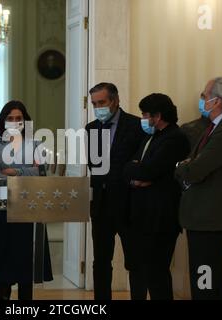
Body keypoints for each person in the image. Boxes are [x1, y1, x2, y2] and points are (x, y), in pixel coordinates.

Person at [175, 77, 222, 300]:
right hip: (203, 218)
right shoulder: (217, 127)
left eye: (205, 96)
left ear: (217, 101)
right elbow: (195, 164)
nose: (203, 100)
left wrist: (180, 166)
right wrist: (188, 166)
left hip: (211, 219)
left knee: (204, 283)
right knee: (211, 280)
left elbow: (194, 169)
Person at [0, 101, 53, 300]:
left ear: (25, 121)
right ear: (3, 122)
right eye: (10, 118)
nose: (14, 122)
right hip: (2, 210)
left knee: (26, 272)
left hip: (30, 209)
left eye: (18, 118)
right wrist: (28, 171)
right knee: (3, 271)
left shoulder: (36, 145)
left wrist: (15, 171)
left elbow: (42, 173)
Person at [123, 94, 190, 300]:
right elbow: (129, 166)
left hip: (161, 217)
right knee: (148, 269)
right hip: (145, 214)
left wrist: (142, 174)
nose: (142, 118)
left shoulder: (174, 138)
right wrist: (138, 174)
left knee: (158, 272)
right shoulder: (152, 136)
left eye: (145, 114)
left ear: (158, 116)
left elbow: (147, 171)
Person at [86, 83, 146, 300]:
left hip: (129, 205)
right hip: (101, 206)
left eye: (101, 102)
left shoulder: (137, 126)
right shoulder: (91, 128)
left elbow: (140, 163)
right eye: (94, 104)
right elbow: (94, 166)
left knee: (135, 260)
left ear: (115, 101)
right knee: (101, 262)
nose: (98, 107)